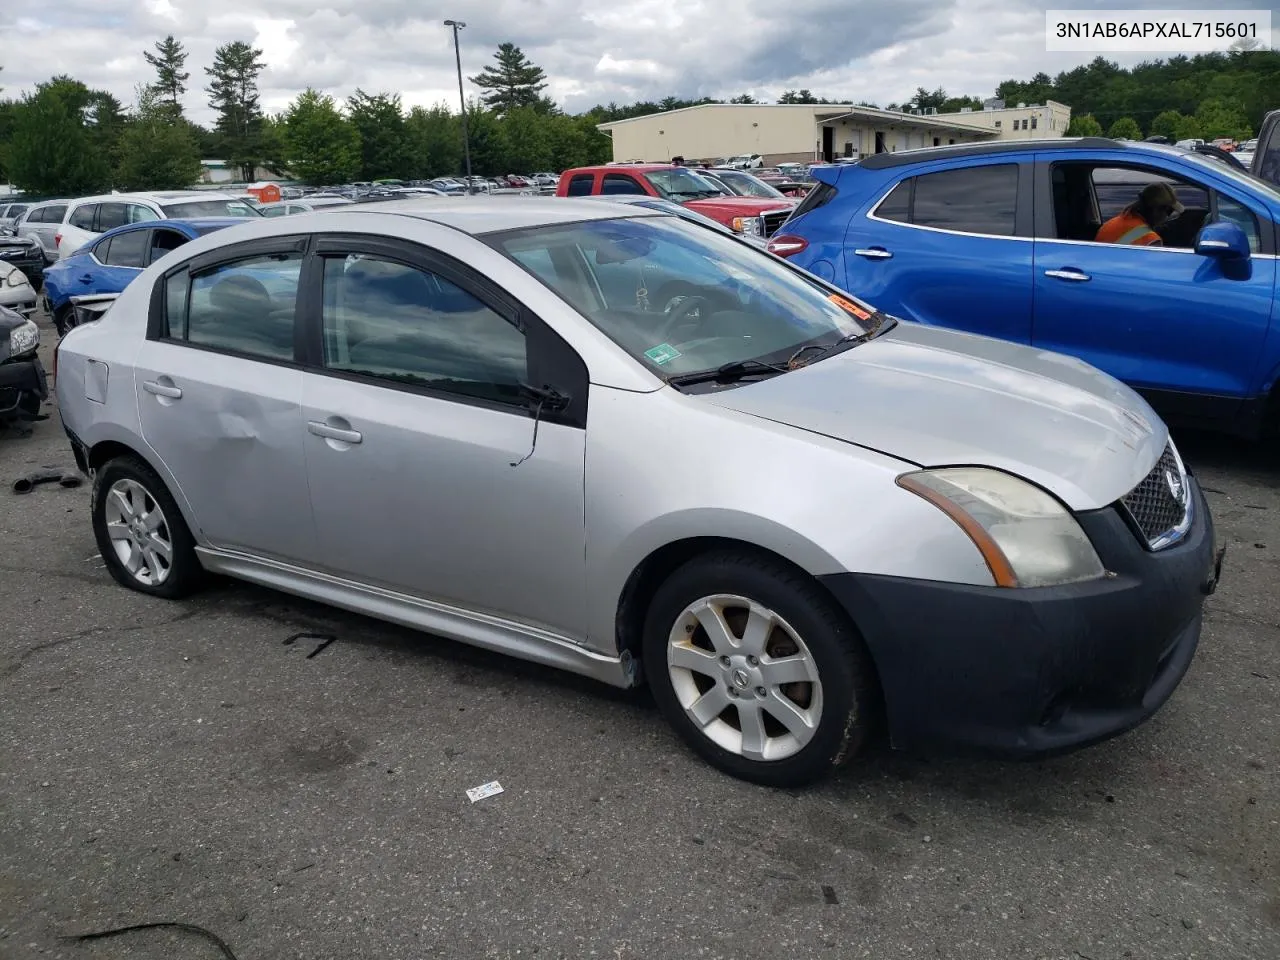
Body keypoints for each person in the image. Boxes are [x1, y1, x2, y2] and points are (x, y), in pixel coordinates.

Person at [1094, 182, 1184, 246]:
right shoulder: (1151, 240)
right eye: (1169, 211)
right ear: (1156, 210)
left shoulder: (1108, 225)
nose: (1168, 217)